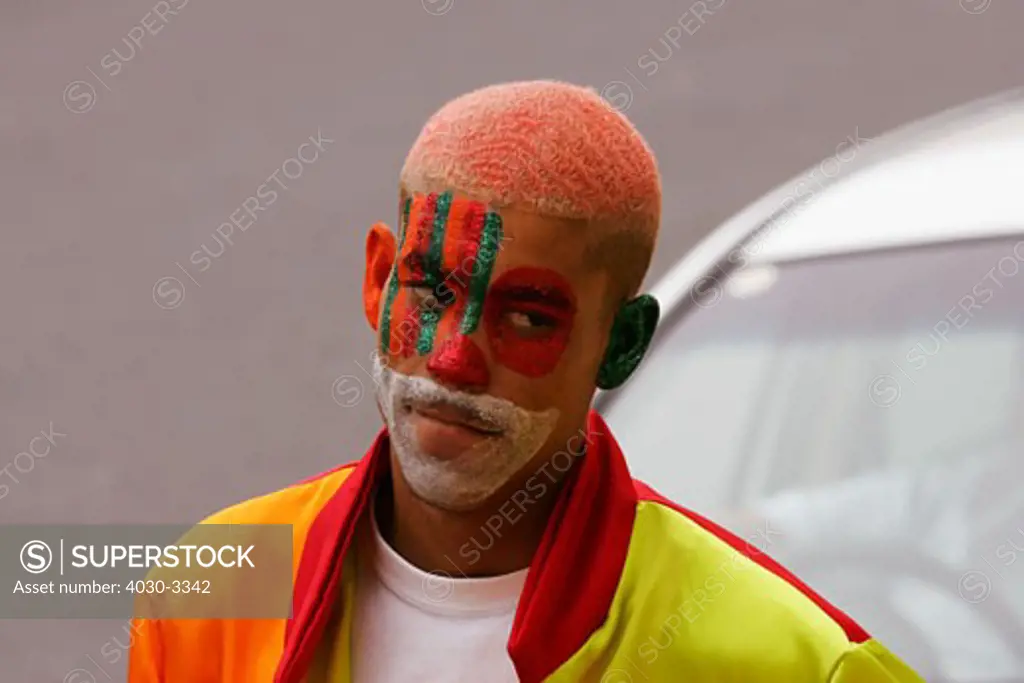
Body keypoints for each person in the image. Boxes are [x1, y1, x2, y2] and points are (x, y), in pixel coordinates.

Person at [127, 80, 923, 682]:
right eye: (432, 291)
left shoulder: (789, 661)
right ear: (377, 280)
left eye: (530, 316)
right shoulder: (214, 589)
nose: (452, 358)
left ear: (621, 342)